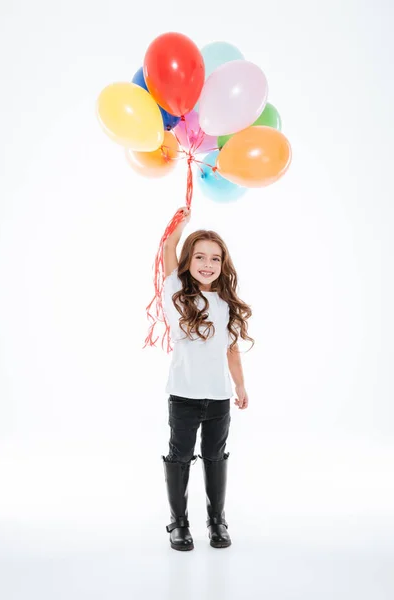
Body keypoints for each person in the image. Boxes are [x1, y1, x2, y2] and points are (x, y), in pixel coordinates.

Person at [161, 206, 254, 551]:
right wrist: (177, 230)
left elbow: (231, 349)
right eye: (200, 256)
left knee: (215, 456)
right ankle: (178, 523)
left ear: (223, 264)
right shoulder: (178, 295)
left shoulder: (225, 304)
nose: (207, 264)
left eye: (215, 259)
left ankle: (217, 521)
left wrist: (240, 386)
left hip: (218, 398)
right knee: (180, 456)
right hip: (183, 396)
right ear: (188, 261)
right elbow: (168, 252)